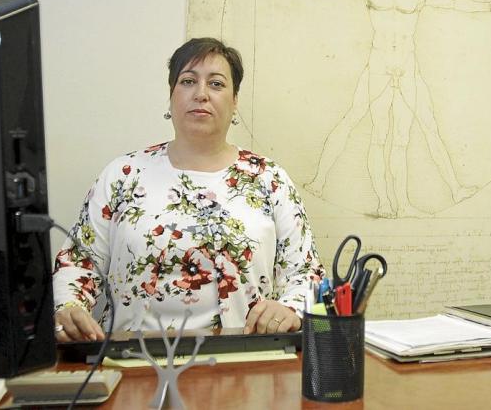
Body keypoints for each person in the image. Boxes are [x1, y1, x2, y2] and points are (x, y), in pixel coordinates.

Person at [52, 37, 324, 341]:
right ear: (171, 96)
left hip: (245, 355)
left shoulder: (268, 178)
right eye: (188, 81)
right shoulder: (124, 175)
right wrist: (69, 307)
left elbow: (306, 274)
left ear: (235, 101)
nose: (201, 94)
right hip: (131, 357)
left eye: (216, 84)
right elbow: (77, 262)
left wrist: (290, 309)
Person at [259, 0, 491, 218]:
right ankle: (328, 183)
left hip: (408, 69)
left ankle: (444, 192)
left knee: (419, 131)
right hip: (379, 67)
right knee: (365, 127)